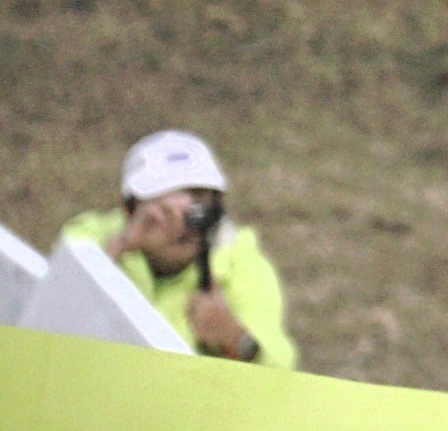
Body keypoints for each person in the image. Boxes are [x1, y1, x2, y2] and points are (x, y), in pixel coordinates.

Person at [58, 131, 299, 368]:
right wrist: (118, 249)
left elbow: (282, 370)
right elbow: (52, 315)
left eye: (198, 204)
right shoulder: (89, 239)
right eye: (163, 210)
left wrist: (236, 338)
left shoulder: (238, 261)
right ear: (130, 209)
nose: (181, 225)